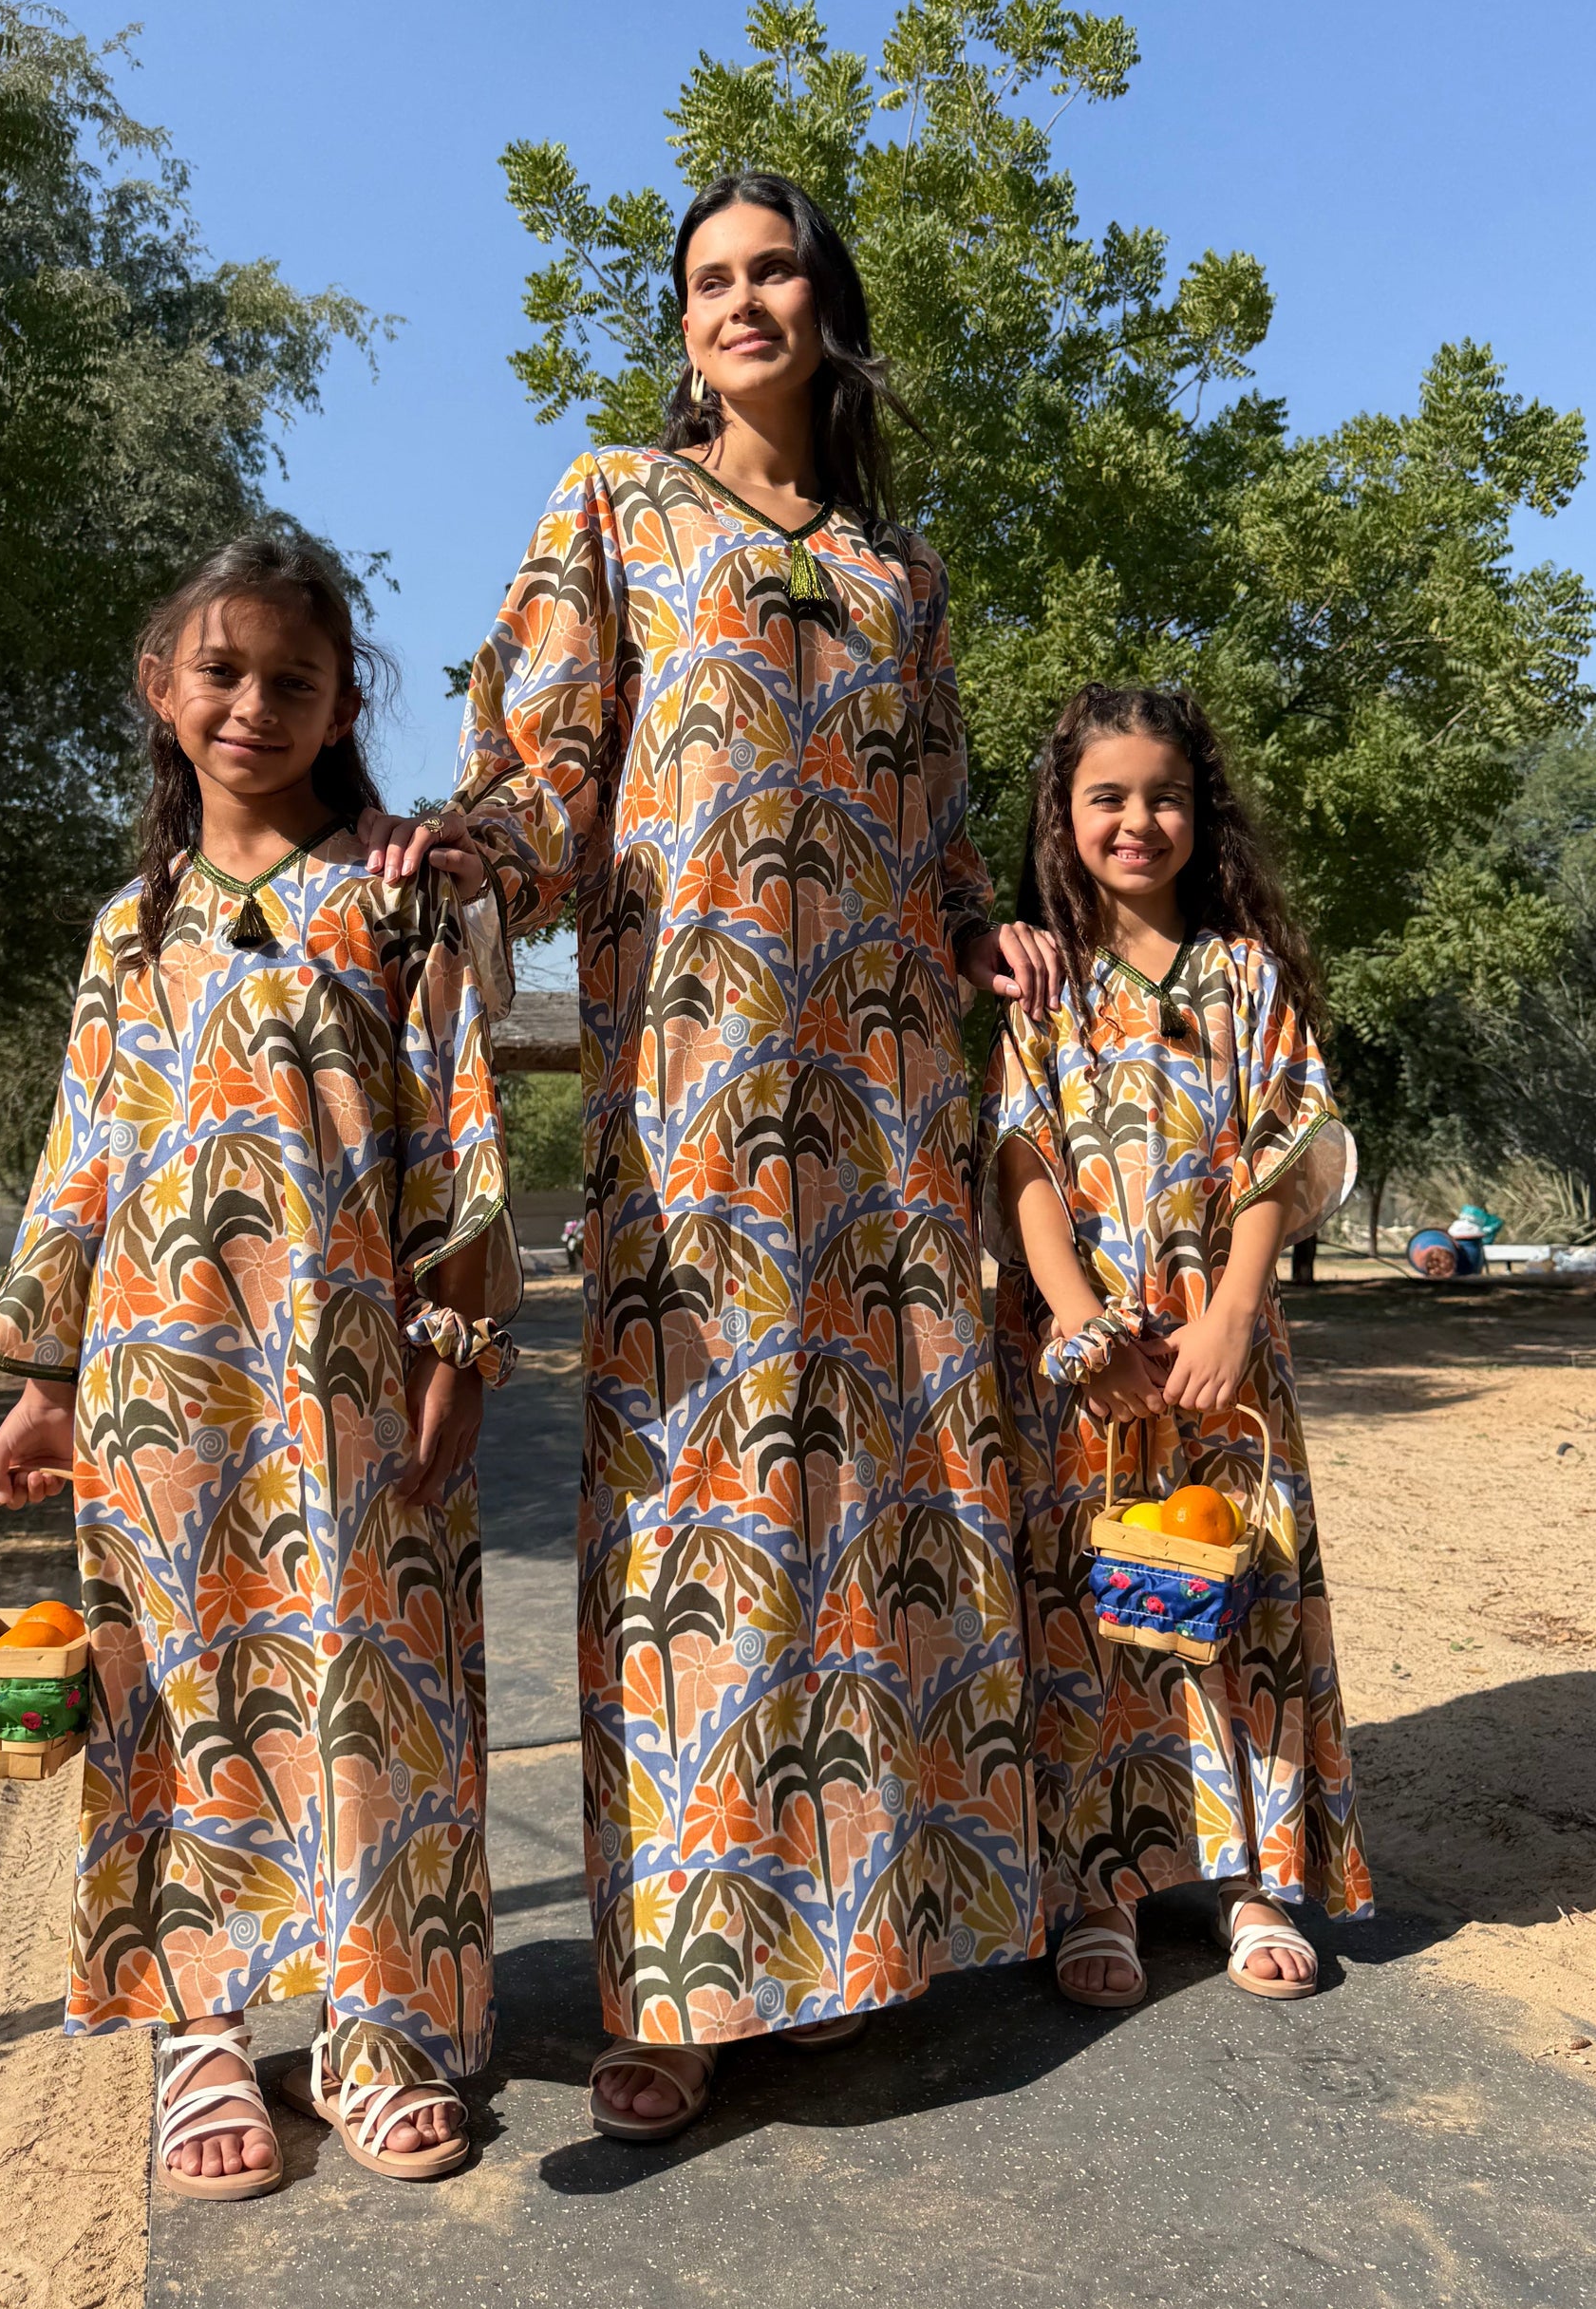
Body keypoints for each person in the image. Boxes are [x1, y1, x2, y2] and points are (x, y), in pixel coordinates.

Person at [367, 172, 1056, 2139]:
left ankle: (841, 1937)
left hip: (891, 1111)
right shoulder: (615, 503)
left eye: (771, 272)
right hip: (694, 1105)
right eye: (705, 281)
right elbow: (543, 766)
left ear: (830, 307)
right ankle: (676, 1975)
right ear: (681, 324)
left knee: (873, 1508)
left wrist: (978, 929)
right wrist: (465, 852)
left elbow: (927, 817)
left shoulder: (902, 571)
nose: (738, 302)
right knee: (696, 1516)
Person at [0, 535, 519, 2197]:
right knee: (181, 1684)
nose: (253, 705)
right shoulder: (126, 929)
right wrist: (46, 1380)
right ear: (162, 689)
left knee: (370, 1676)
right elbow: (80, 1160)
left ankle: (373, 2019)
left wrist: (458, 1343)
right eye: (220, 671)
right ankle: (201, 2026)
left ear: (344, 702)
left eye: (293, 678)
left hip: (349, 1370)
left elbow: (458, 1127)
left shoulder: (397, 895)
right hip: (159, 1383)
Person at [983, 683, 1372, 2010]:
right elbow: (1022, 1160)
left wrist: (1229, 1318)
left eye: (1166, 796)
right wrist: (1077, 1320)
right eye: (1108, 797)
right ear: (1064, 815)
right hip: (1085, 1370)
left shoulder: (1247, 976)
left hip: (1222, 1359)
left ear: (1202, 816)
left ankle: (1251, 1879)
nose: (1137, 820)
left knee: (1234, 1599)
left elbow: (1279, 1153)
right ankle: (1099, 1887)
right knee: (1094, 1612)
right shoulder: (1038, 980)